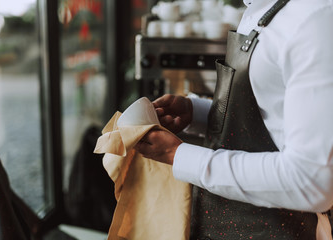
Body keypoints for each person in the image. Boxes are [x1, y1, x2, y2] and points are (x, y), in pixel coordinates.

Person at [135, 0, 333, 239]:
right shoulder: (258, 8)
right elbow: (273, 117)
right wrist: (199, 113)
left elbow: (311, 181)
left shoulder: (315, 19)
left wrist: (179, 156)